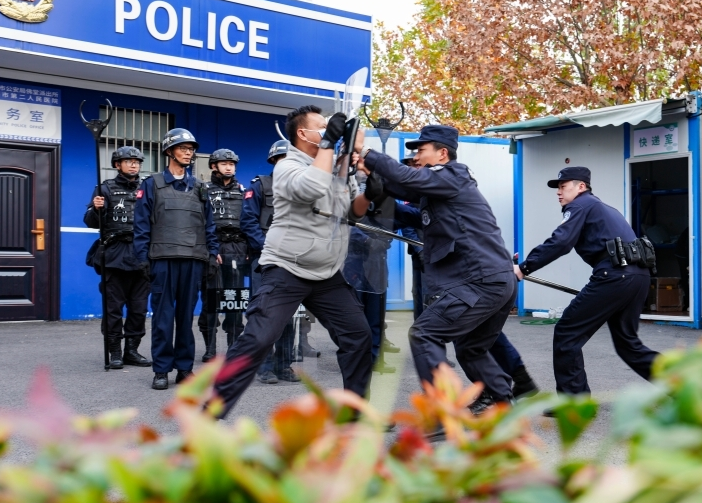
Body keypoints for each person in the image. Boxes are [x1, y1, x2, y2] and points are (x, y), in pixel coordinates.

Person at [212, 106, 376, 418]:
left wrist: (370, 194)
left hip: (326, 273)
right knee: (258, 338)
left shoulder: (338, 168)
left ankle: (354, 412)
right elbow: (311, 188)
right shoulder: (288, 165)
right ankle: (210, 412)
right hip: (287, 267)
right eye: (322, 126)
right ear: (303, 134)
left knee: (358, 335)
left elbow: (352, 213)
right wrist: (329, 144)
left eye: (329, 126)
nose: (328, 129)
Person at [357, 124, 516, 415]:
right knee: (471, 347)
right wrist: (375, 185)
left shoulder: (453, 174)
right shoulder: (440, 192)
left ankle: (442, 416)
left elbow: (406, 178)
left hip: (480, 282)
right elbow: (411, 208)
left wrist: (366, 152)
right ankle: (503, 404)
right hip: (493, 281)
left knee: (424, 334)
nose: (416, 157)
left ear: (442, 154)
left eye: (421, 150)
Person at [513, 166, 658, 413]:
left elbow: (561, 242)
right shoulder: (604, 208)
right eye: (558, 188)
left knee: (567, 333)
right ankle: (685, 388)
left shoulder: (580, 205)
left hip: (614, 276)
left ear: (581, 187)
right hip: (638, 276)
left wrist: (524, 268)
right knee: (628, 344)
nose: (558, 192)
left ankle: (574, 405)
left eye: (563, 186)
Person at [133, 128, 219, 390]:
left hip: (193, 259)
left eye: (191, 149)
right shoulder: (151, 184)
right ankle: (161, 370)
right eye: (183, 148)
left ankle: (184, 368)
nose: (188, 153)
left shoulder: (200, 187)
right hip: (163, 259)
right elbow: (141, 224)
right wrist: (142, 258)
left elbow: (209, 224)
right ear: (169, 151)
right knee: (162, 318)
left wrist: (211, 254)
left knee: (185, 318)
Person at [241, 139, 304, 384]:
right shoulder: (259, 186)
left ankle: (284, 365)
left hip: (292, 260)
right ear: (274, 161)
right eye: (282, 159)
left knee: (289, 314)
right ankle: (264, 366)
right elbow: (248, 221)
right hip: (265, 259)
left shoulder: (300, 188)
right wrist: (269, 246)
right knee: (265, 312)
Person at [83, 146, 152, 369]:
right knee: (113, 307)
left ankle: (132, 350)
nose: (133, 164)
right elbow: (90, 222)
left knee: (139, 308)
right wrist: (97, 209)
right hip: (114, 254)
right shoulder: (104, 188)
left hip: (141, 254)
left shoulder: (148, 188)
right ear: (117, 165)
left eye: (137, 161)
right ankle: (115, 351)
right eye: (128, 161)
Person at [197, 149, 250, 362]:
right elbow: (198, 222)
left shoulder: (243, 191)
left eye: (232, 164)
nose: (229, 167)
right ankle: (210, 348)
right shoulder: (203, 189)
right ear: (214, 166)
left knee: (234, 301)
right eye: (224, 163)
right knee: (211, 300)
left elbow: (249, 221)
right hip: (214, 248)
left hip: (237, 249)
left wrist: (248, 249)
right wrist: (211, 250)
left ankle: (233, 347)